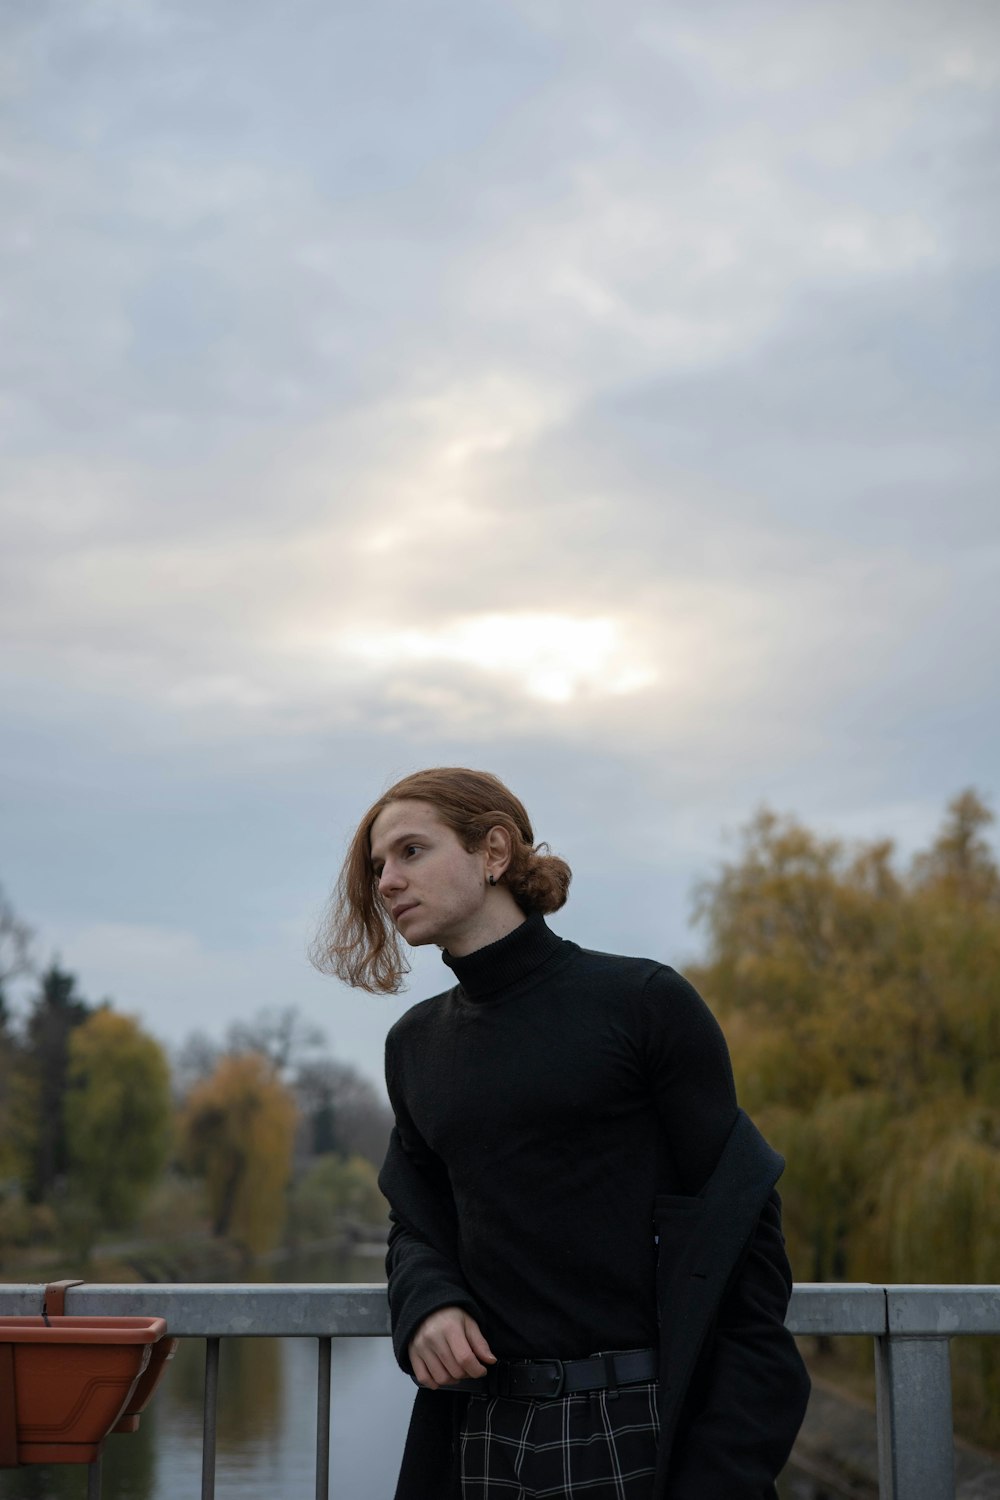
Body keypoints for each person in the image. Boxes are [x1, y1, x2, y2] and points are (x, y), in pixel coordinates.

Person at [313, 767, 810, 1500]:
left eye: (411, 852)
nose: (387, 882)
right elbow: (416, 1224)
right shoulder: (414, 1045)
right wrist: (427, 1304)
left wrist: (722, 1476)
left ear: (493, 852)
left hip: (645, 1434)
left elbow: (743, 1247)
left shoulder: (643, 1004)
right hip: (481, 1434)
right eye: (379, 865)